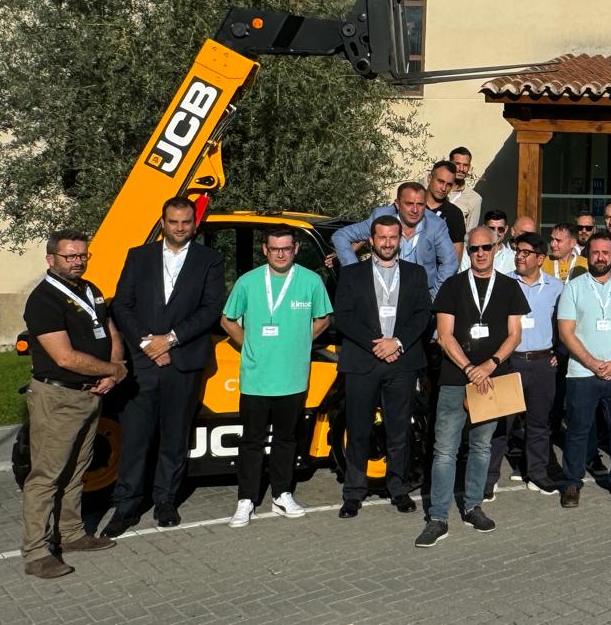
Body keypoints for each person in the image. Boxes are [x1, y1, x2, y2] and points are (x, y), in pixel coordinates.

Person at [105, 199, 226, 537]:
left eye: (186, 222)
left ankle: (165, 501)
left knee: (174, 436)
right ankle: (126, 506)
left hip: (183, 362)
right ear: (162, 222)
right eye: (173, 221)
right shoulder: (138, 256)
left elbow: (211, 307)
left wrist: (170, 340)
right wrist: (148, 345)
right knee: (136, 437)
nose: (179, 228)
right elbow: (123, 305)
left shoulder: (210, 260)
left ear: (194, 224)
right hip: (143, 363)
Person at [21, 230, 127, 578]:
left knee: (77, 470)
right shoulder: (43, 301)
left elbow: (109, 329)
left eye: (82, 255)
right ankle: (37, 552)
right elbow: (64, 357)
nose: (78, 261)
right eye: (70, 256)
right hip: (58, 397)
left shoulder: (90, 289)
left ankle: (71, 534)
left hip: (90, 393)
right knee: (46, 476)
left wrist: (115, 370)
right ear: (51, 259)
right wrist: (113, 369)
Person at [416, 224, 526, 548]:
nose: (480, 253)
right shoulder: (452, 286)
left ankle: (473, 506)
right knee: (445, 450)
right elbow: (445, 334)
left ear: (496, 249)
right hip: (454, 380)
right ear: (469, 251)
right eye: (474, 248)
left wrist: (489, 365)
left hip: (491, 380)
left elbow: (515, 334)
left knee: (481, 447)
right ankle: (437, 517)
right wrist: (468, 367)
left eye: (486, 248)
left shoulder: (508, 287)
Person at [221, 226, 332, 528]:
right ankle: (246, 499)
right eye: (274, 248)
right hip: (257, 377)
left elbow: (323, 318)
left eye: (286, 248)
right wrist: (249, 345)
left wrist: (300, 342)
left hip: (293, 377)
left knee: (286, 439)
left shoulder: (311, 281)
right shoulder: (248, 282)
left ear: (295, 249)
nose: (280, 253)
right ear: (265, 250)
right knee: (253, 441)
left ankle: (282, 494)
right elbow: (227, 320)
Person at [333, 215, 434, 518]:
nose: (388, 243)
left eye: (393, 237)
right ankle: (353, 492)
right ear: (372, 240)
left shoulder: (416, 274)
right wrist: (377, 343)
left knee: (399, 430)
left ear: (400, 238)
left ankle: (398, 488)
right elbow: (344, 316)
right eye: (382, 238)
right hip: (363, 361)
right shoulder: (352, 274)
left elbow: (422, 314)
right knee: (358, 429)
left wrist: (398, 342)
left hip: (402, 361)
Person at [555, 232, 611, 508]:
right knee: (578, 430)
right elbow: (566, 331)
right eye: (595, 253)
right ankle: (571, 483)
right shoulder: (574, 287)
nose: (601, 257)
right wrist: (592, 363)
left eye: (606, 252)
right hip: (582, 373)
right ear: (588, 255)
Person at [496, 231, 564, 495]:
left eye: (526, 253)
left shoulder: (557, 287)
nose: (520, 257)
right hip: (510, 361)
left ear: (540, 258)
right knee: (503, 422)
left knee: (538, 422)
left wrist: (560, 351)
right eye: (517, 252)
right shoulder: (503, 284)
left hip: (542, 363)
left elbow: (566, 323)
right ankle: (488, 478)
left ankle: (536, 472)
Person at [332, 182, 457, 295]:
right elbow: (341, 236)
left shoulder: (436, 225)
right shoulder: (381, 217)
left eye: (420, 204)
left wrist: (434, 297)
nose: (415, 210)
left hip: (419, 294)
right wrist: (355, 272)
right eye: (409, 204)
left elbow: (450, 263)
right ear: (397, 204)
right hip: (382, 293)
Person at [424, 160, 468, 259]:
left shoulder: (454, 214)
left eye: (449, 184)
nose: (443, 188)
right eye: (440, 182)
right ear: (429, 178)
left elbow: (456, 257)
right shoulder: (412, 205)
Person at [447, 146, 484, 225]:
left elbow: (469, 233)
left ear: (469, 167)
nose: (461, 169)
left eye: (465, 165)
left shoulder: (474, 199)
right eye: (457, 164)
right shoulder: (433, 188)